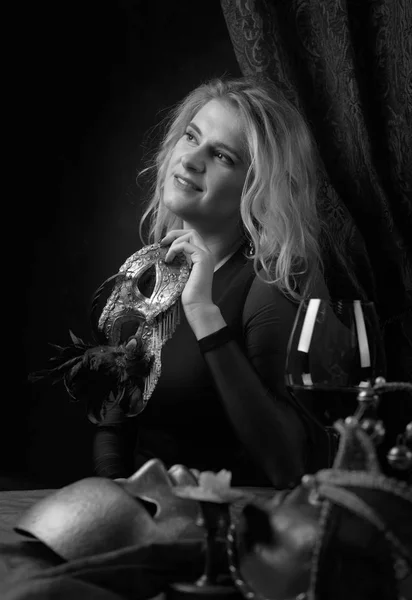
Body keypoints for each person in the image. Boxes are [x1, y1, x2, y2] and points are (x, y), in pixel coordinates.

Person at [92, 76, 333, 489]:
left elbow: (289, 465)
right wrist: (116, 500)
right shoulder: (157, 272)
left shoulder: (272, 286)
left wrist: (204, 314)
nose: (190, 160)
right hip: (145, 522)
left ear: (259, 188)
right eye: (191, 137)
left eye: (222, 155)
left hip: (233, 534)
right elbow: (115, 422)